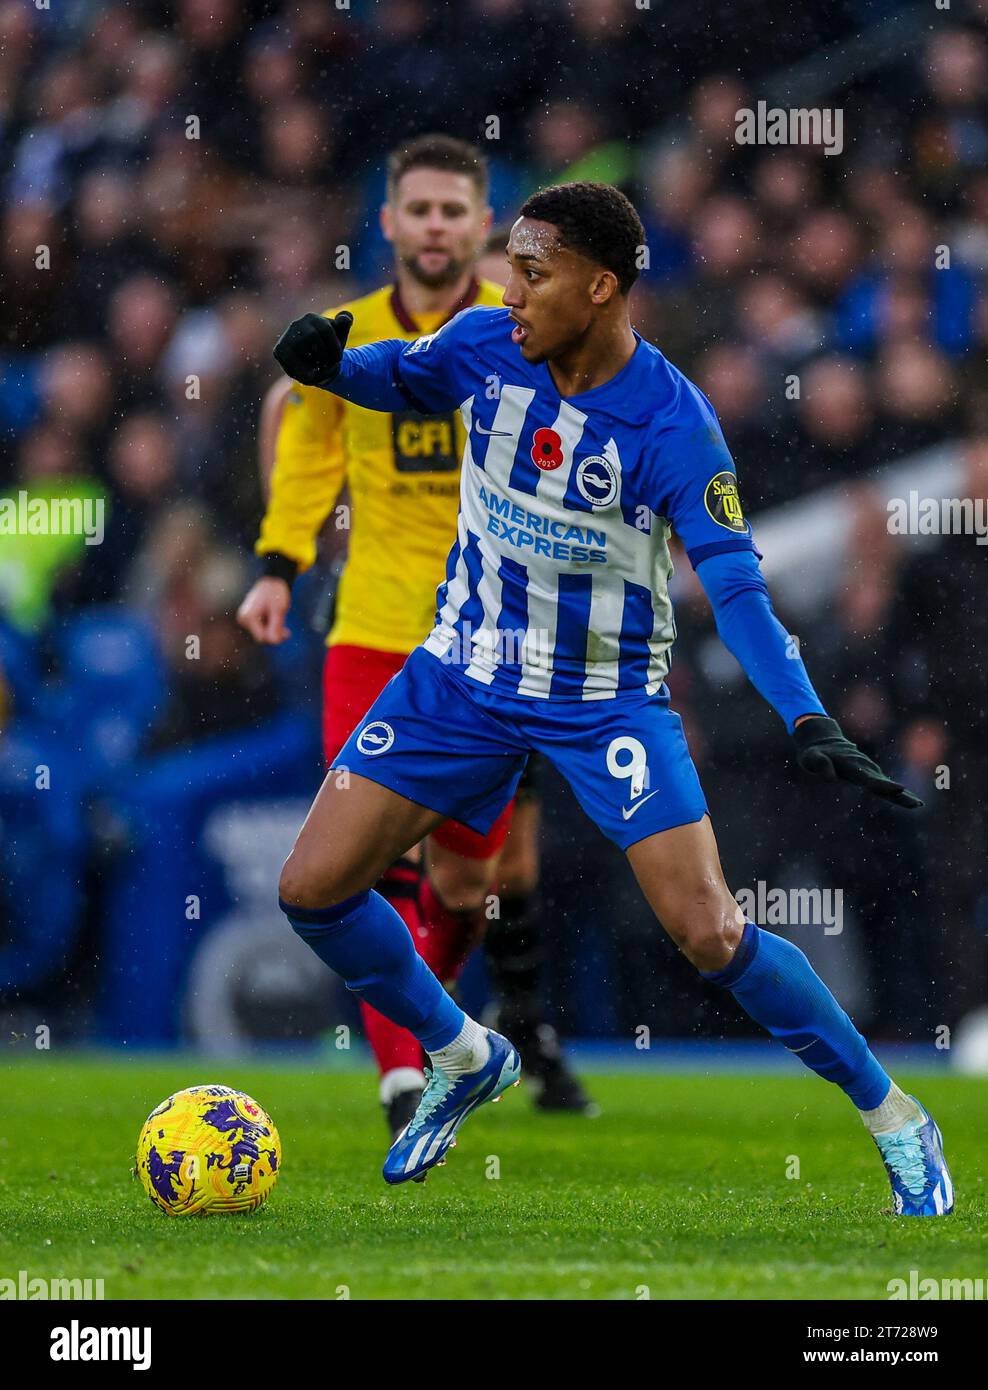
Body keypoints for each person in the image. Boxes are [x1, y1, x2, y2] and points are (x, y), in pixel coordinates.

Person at [272, 179, 952, 1214]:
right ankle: (462, 1051)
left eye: (532, 274)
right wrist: (332, 366)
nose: (509, 291)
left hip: (604, 704)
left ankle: (895, 1114)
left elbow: (734, 587)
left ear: (598, 287)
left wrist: (804, 711)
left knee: (709, 931)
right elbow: (405, 379)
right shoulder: (487, 342)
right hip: (461, 675)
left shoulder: (674, 425)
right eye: (509, 267)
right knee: (311, 889)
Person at [237, 136, 591, 1136]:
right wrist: (276, 566)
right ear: (387, 224)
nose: (436, 226)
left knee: (469, 885)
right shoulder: (338, 339)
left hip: (491, 649)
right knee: (361, 870)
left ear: (483, 226)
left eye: (454, 210)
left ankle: (443, 1042)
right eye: (418, 209)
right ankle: (403, 1080)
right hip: (370, 635)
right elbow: (308, 451)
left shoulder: (519, 329)